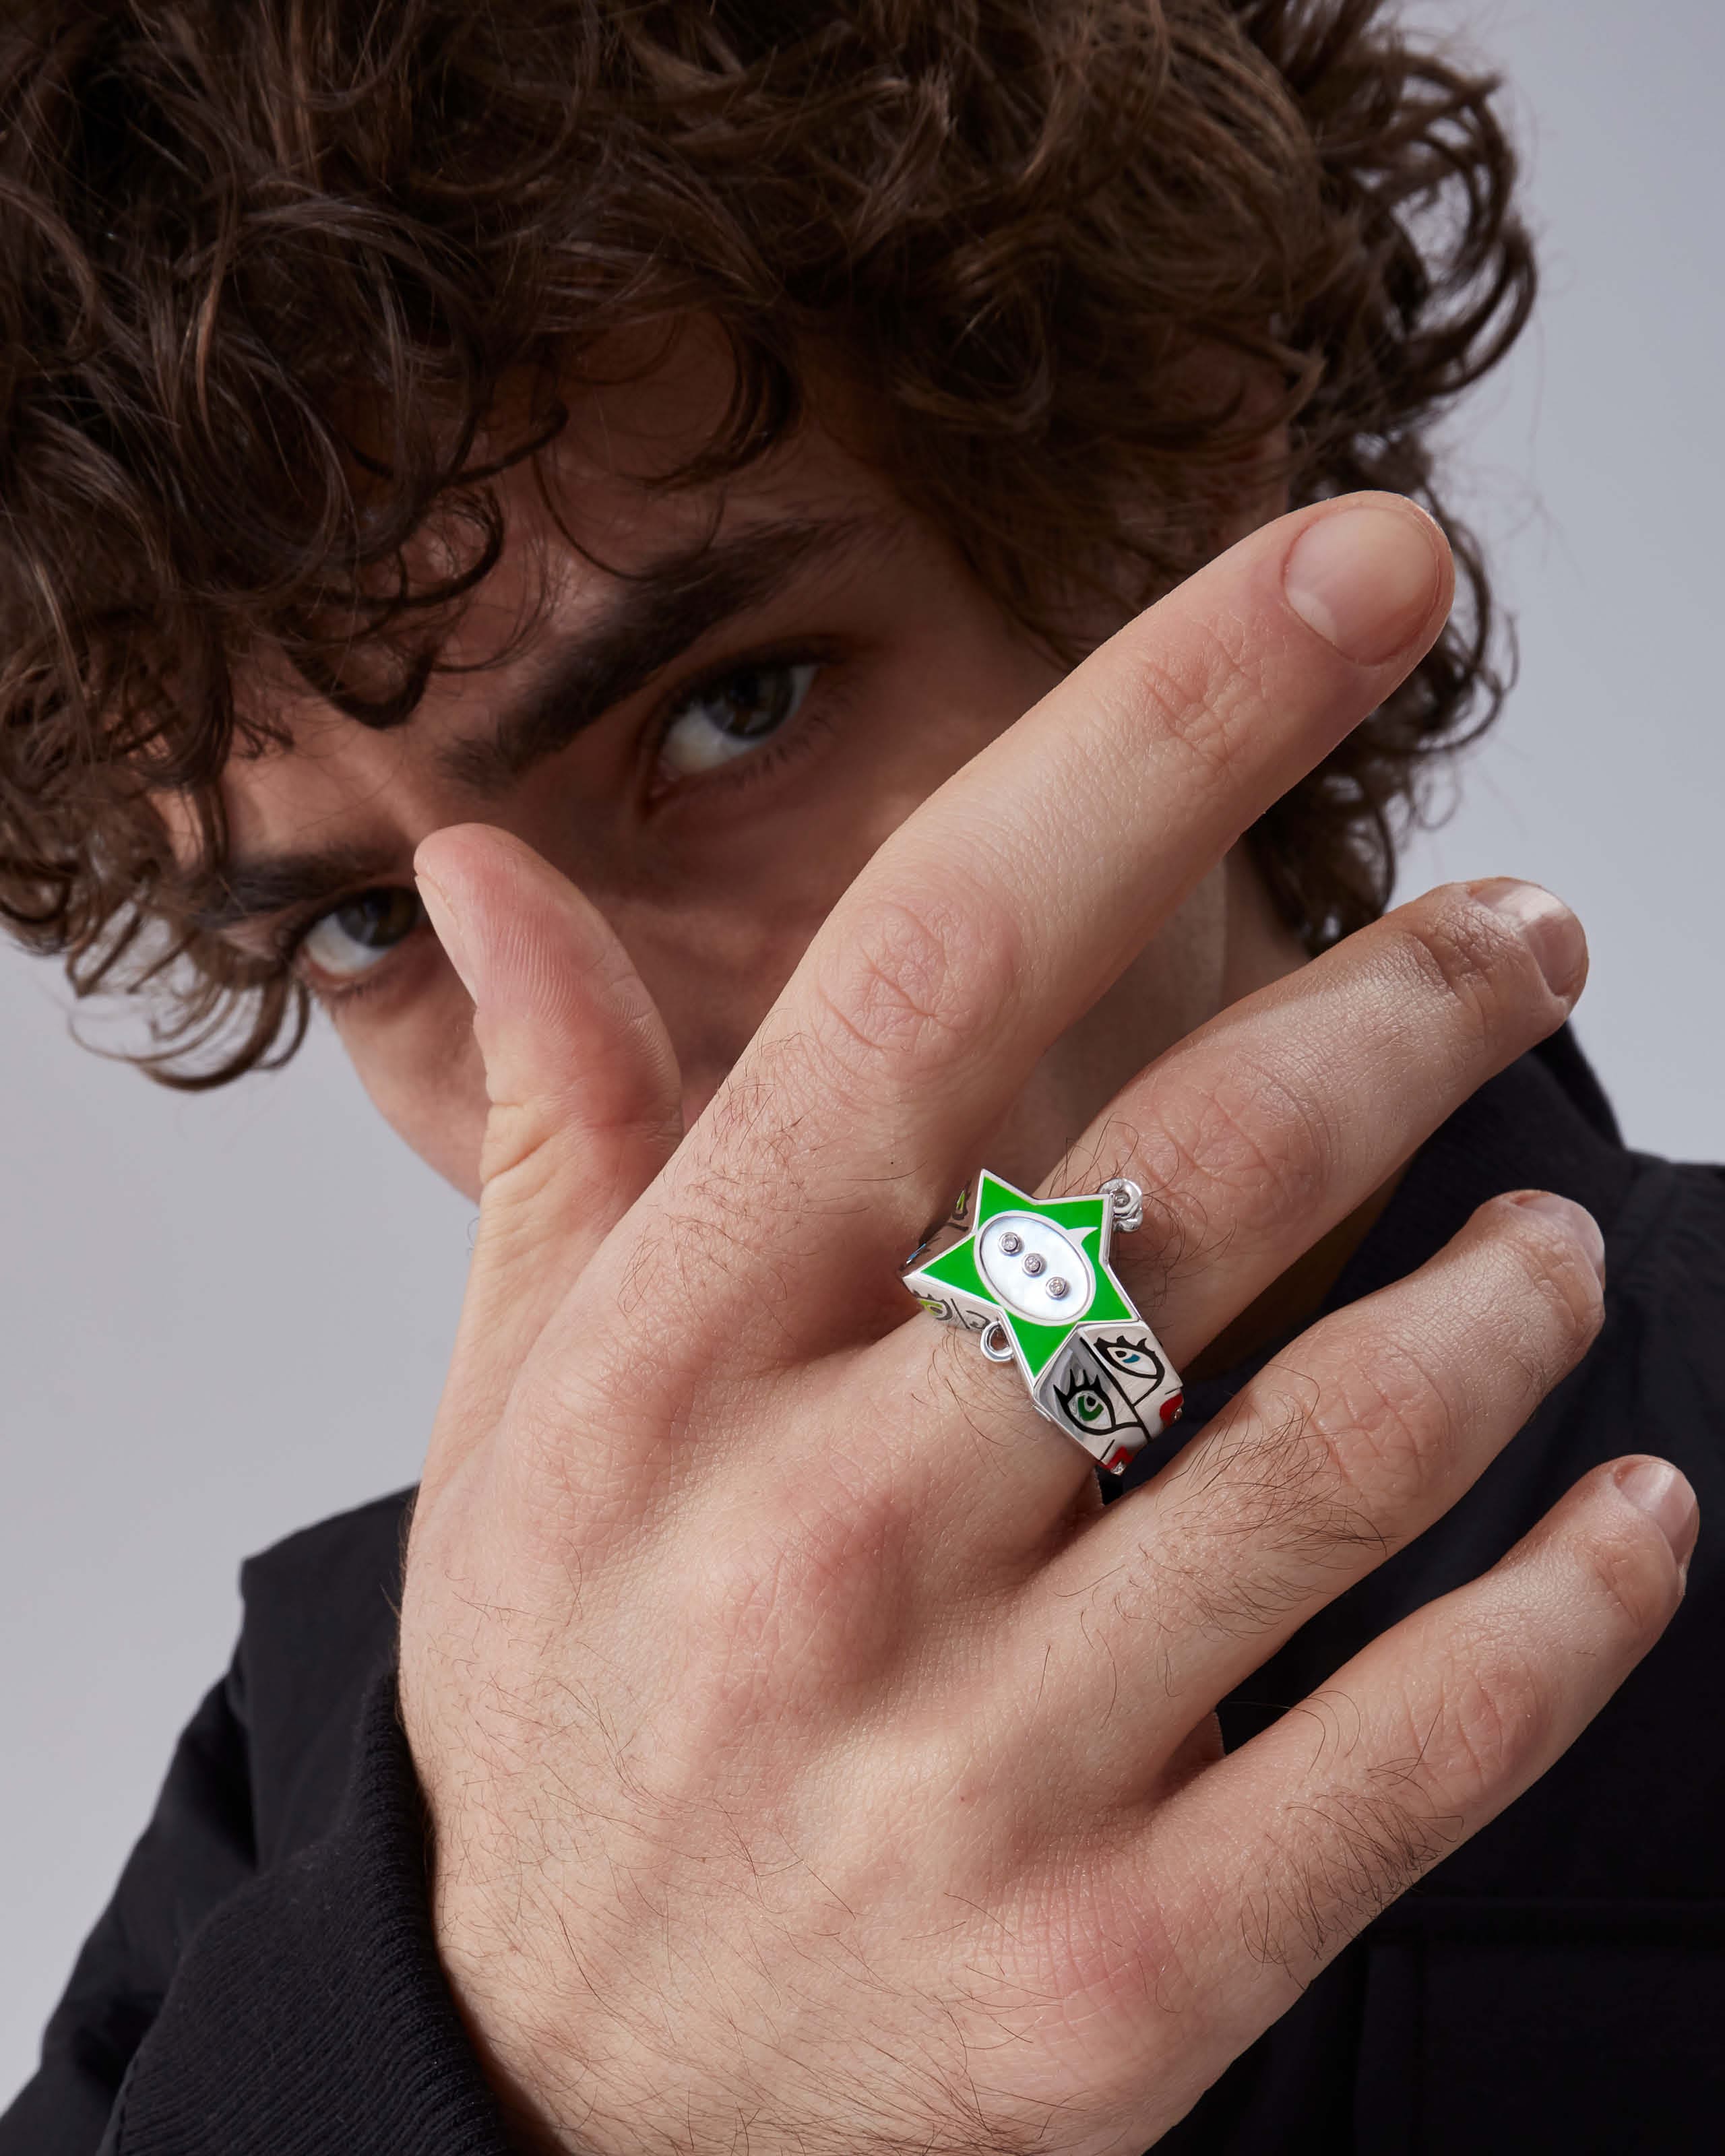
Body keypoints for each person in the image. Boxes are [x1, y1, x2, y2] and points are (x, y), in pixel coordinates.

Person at [2, 1, 1721, 2151]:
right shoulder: (319, 1747)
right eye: (369, 926)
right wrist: (535, 2067)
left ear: (1171, 482)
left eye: (735, 711)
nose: (642, 1077)